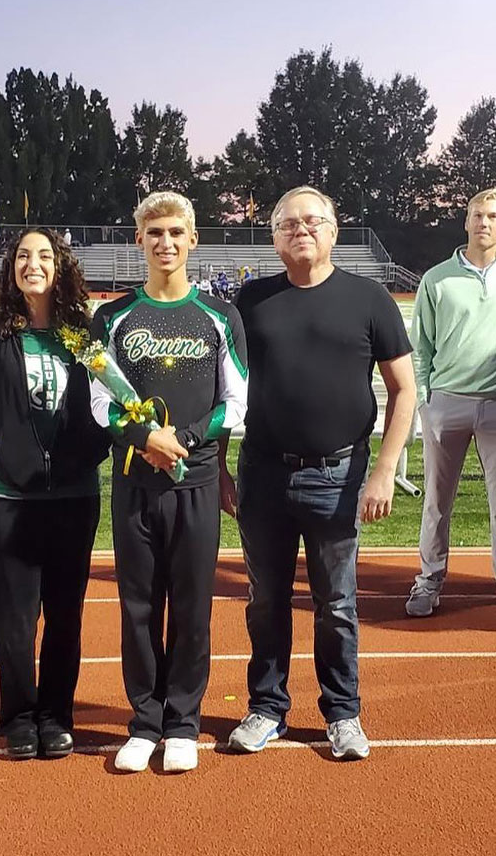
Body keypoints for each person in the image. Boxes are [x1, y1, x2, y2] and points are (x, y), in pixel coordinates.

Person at [226, 185, 415, 761]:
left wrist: (384, 471)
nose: (301, 229)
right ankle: (266, 708)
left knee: (336, 604)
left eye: (314, 221)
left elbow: (404, 389)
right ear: (274, 236)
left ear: (334, 231)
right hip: (261, 474)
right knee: (265, 600)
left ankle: (342, 713)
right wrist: (217, 472)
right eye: (288, 223)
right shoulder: (249, 301)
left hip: (338, 474)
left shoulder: (370, 298)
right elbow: (218, 386)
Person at [91, 191, 248, 773]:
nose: (166, 243)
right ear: (139, 240)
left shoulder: (218, 316)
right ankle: (143, 720)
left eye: (176, 233)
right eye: (154, 233)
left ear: (193, 239)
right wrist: (144, 440)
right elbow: (97, 403)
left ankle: (182, 720)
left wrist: (181, 437)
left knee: (191, 605)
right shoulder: (111, 318)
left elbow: (236, 401)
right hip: (134, 486)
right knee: (136, 606)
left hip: (197, 484)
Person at [0, 228, 108, 760]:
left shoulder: (84, 335)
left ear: (60, 266)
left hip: (72, 496)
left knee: (66, 612)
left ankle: (56, 714)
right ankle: (20, 715)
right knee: (15, 615)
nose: (33, 264)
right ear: (11, 268)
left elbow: (111, 405)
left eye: (44, 255)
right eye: (23, 255)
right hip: (4, 497)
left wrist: (89, 451)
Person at [405, 187, 496, 617]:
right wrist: (425, 402)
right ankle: (428, 582)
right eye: (478, 215)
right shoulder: (436, 279)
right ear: (465, 221)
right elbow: (419, 347)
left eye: (493, 216)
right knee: (437, 502)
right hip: (447, 402)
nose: (485, 223)